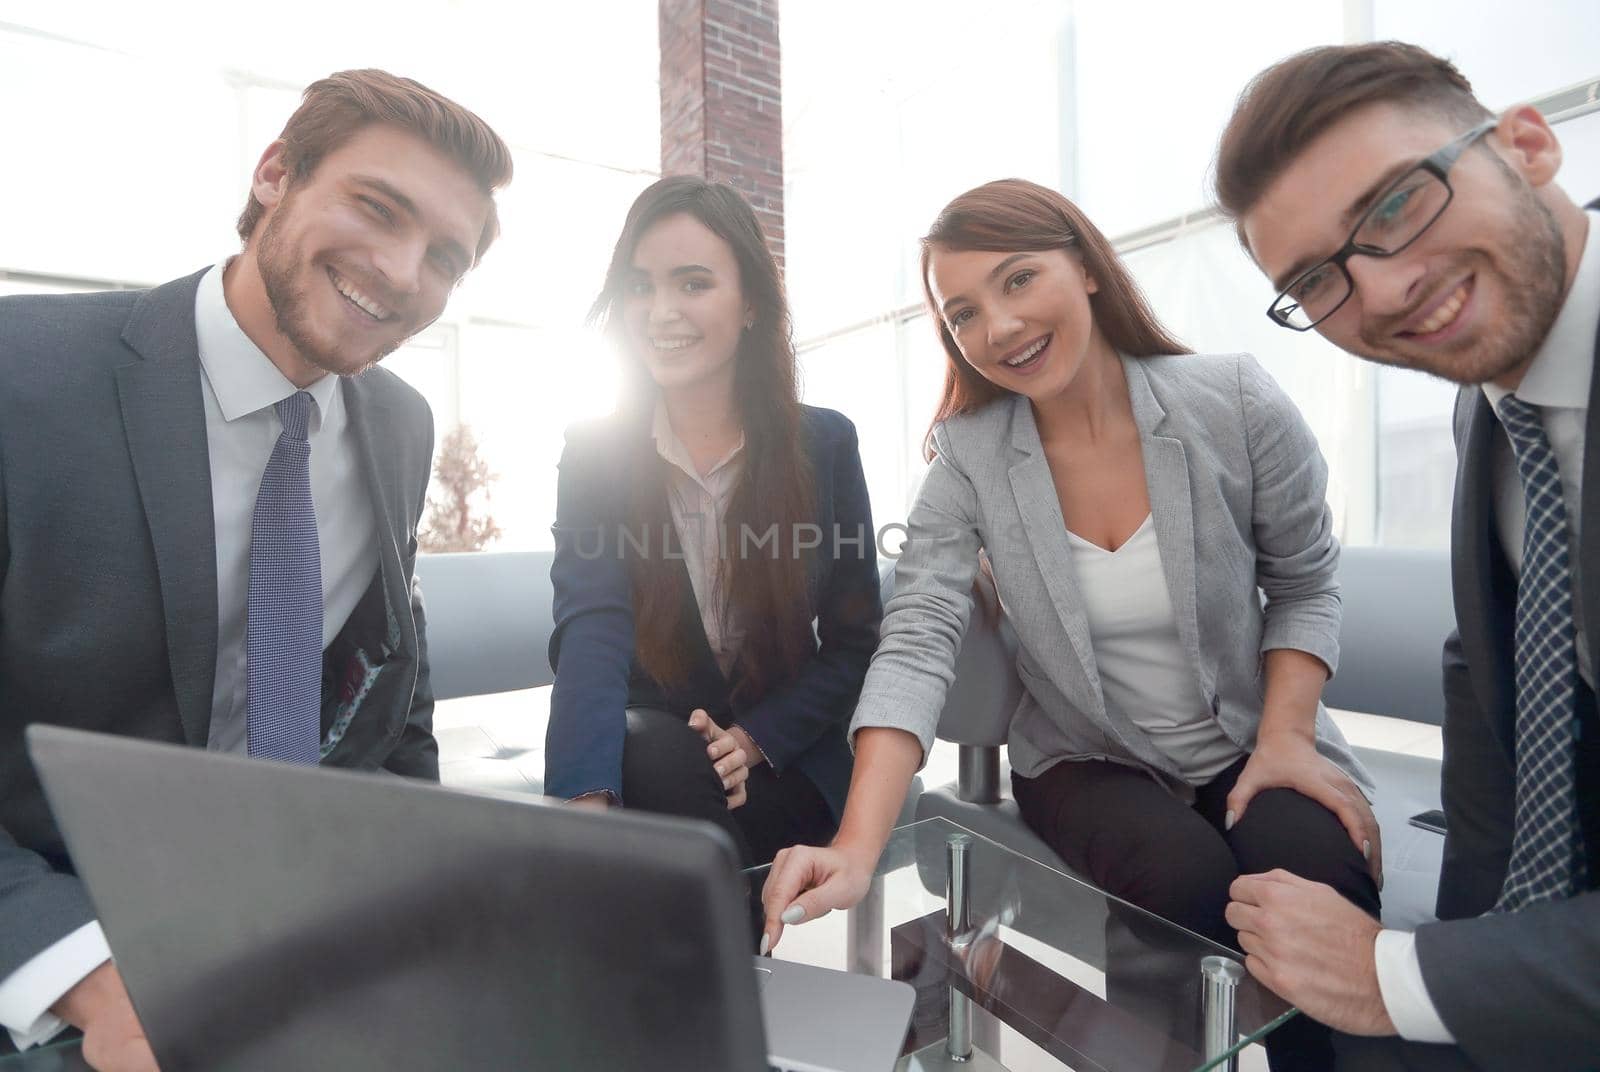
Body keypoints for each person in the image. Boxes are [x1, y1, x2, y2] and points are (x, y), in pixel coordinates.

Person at [760, 177, 1381, 1069]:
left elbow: (1305, 581)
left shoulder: (1231, 400)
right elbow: (917, 641)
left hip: (1255, 736)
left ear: (1086, 268)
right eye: (963, 313)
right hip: (1087, 757)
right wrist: (857, 846)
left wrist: (1288, 739)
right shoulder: (969, 461)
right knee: (1182, 887)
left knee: (1314, 871)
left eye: (1019, 280)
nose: (999, 328)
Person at [0, 70, 512, 1069]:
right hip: (60, 933)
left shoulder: (398, 425)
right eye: (376, 206)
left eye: (445, 257)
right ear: (275, 173)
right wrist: (89, 976)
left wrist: (422, 883)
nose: (404, 271)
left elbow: (394, 694)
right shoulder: (23, 378)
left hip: (302, 930)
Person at [1213, 42, 1600, 1071]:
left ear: (1527, 145)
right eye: (1316, 279)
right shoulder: (1492, 397)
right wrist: (1465, 954)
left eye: (1393, 207)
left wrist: (1406, 979)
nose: (1378, 292)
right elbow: (1491, 669)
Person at [544, 176, 881, 871]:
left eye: (693, 283)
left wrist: (754, 739)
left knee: (692, 834)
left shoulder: (824, 446)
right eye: (639, 287)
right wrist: (584, 817)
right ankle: (734, 970)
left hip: (786, 757)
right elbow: (591, 632)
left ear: (752, 302)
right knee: (663, 770)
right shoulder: (596, 451)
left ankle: (716, 968)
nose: (660, 312)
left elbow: (854, 645)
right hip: (656, 752)